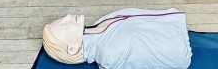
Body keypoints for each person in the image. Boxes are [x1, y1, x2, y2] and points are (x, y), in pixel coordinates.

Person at [42, 9, 190, 69]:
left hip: (174, 27)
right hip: (177, 47)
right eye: (63, 25)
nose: (67, 17)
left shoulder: (99, 24)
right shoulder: (108, 55)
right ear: (72, 49)